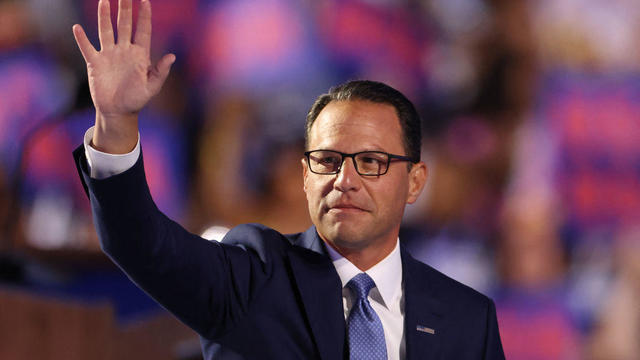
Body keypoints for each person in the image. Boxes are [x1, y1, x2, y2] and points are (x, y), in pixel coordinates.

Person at [71, 0, 505, 359]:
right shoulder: (250, 280)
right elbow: (138, 243)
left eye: (371, 162)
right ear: (304, 176)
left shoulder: (468, 320)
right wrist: (117, 121)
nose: (346, 179)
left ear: (414, 182)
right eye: (327, 160)